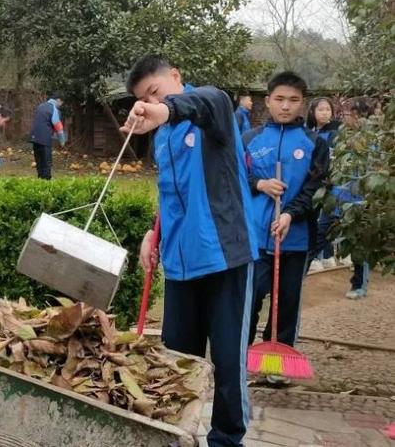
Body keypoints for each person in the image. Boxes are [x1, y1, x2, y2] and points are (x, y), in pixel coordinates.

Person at [122, 55, 258, 447]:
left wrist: (164, 110)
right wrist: (154, 234)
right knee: (178, 360)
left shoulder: (211, 107)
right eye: (142, 98)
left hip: (225, 256)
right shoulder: (162, 139)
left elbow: (202, 102)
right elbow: (170, 194)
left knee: (229, 362)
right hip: (181, 264)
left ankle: (227, 439)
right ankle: (177, 435)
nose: (150, 101)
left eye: (154, 91)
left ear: (176, 77)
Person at [243, 72, 329, 383]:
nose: (285, 106)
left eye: (293, 100)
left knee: (287, 301)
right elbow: (238, 181)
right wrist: (261, 183)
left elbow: (315, 187)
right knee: (249, 299)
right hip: (255, 236)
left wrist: (291, 213)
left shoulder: (314, 143)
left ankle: (275, 363)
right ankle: (240, 357)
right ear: (267, 101)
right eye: (279, 99)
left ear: (302, 104)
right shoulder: (250, 140)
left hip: (295, 238)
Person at [336, 99, 371, 299]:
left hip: (360, 199)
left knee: (359, 243)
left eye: (350, 113)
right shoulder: (343, 136)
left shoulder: (369, 139)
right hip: (342, 197)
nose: (346, 117)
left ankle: (360, 284)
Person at [305, 97, 342, 271]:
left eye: (328, 109)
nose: (325, 112)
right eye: (321, 109)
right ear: (312, 112)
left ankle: (321, 257)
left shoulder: (335, 133)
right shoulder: (309, 132)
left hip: (329, 184)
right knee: (317, 220)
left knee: (324, 221)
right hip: (313, 183)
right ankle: (323, 257)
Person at [30, 92, 65, 179]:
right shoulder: (54, 109)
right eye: (61, 103)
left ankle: (40, 179)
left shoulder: (40, 106)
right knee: (46, 161)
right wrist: (62, 142)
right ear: (58, 100)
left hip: (34, 138)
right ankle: (47, 181)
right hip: (45, 138)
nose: (60, 105)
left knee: (39, 161)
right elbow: (58, 127)